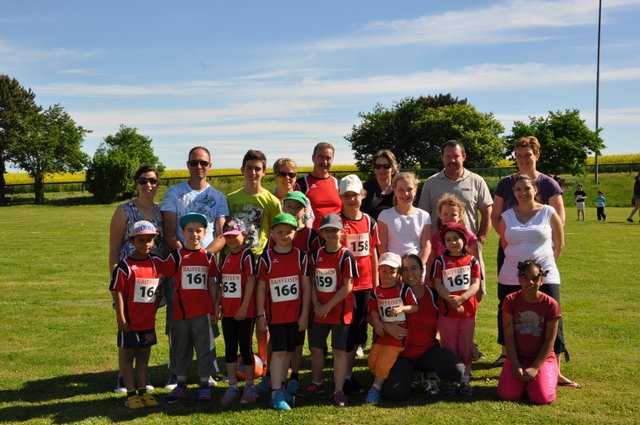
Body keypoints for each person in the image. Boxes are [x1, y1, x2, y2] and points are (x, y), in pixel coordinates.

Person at [497, 175, 579, 388]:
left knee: (552, 320)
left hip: (545, 277)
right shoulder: (507, 215)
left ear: (535, 189)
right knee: (512, 321)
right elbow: (505, 245)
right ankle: (515, 365)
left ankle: (556, 370)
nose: (521, 192)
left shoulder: (548, 212)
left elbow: (559, 244)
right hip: (510, 277)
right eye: (517, 189)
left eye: (526, 188)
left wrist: (541, 271)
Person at [491, 136, 565, 367]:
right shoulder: (505, 183)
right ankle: (507, 355)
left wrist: (545, 255)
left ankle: (553, 363)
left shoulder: (548, 183)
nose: (523, 159)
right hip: (512, 257)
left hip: (543, 260)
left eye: (528, 155)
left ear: (536, 155)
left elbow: (559, 220)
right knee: (508, 307)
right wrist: (514, 238)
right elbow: (497, 218)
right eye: (519, 155)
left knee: (550, 309)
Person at [161, 146, 229, 388]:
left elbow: (222, 234)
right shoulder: (174, 193)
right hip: (180, 267)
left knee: (208, 320)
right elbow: (170, 232)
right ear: (187, 164)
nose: (199, 167)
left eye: (203, 162)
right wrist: (186, 257)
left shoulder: (219, 197)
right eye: (194, 162)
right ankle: (175, 372)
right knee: (176, 320)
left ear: (210, 165)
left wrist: (203, 257)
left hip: (206, 267)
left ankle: (206, 371)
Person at [109, 164, 167, 393]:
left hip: (153, 280)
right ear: (136, 184)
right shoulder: (124, 210)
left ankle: (142, 377)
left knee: (146, 327)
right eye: (143, 181)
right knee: (127, 327)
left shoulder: (163, 211)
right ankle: (124, 377)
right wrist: (115, 280)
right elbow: (114, 248)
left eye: (153, 181)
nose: (148, 185)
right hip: (129, 277)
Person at [154, 213, 220, 403]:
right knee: (180, 347)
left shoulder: (208, 257)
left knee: (205, 347)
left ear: (205, 232)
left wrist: (215, 307)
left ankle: (204, 384)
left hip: (202, 312)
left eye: (198, 231)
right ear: (183, 233)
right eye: (190, 231)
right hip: (180, 313)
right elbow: (162, 271)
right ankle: (181, 384)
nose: (194, 234)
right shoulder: (176, 255)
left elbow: (212, 283)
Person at [381, 254, 464, 402]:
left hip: (427, 351)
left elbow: (447, 318)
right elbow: (370, 315)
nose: (409, 273)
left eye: (414, 268)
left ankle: (425, 373)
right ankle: (414, 374)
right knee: (395, 394)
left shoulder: (432, 294)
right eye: (405, 270)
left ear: (421, 270)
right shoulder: (392, 292)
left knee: (457, 370)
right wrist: (385, 326)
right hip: (402, 355)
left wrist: (439, 335)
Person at [418, 140, 492, 299]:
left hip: (468, 250)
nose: (452, 160)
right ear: (442, 158)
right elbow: (423, 217)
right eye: (448, 156)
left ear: (464, 156)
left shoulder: (476, 181)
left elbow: (487, 212)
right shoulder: (431, 183)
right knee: (438, 296)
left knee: (471, 293)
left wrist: (481, 238)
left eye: (456, 156)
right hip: (439, 251)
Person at [256, 213, 311, 411]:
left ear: (295, 233)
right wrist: (260, 314)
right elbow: (261, 288)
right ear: (272, 233)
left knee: (288, 351)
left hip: (295, 315)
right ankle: (276, 392)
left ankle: (282, 385)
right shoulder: (267, 258)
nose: (284, 235)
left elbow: (306, 288)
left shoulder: (301, 257)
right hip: (276, 316)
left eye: (289, 232)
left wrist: (305, 314)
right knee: (278, 352)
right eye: (280, 232)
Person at [109, 220, 163, 409]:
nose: (146, 244)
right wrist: (121, 318)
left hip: (147, 321)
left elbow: (158, 289)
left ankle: (142, 391)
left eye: (149, 240)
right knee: (127, 355)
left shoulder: (156, 263)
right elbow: (118, 292)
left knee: (143, 357)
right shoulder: (124, 266)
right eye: (141, 240)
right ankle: (130, 393)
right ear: (132, 241)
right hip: (130, 322)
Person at [306, 214, 358, 406]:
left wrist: (328, 306)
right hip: (319, 312)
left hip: (339, 312)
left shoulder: (346, 256)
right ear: (321, 232)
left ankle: (338, 391)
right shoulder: (316, 254)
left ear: (341, 232)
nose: (330, 234)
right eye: (326, 230)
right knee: (316, 348)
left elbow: (348, 286)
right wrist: (316, 303)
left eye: (334, 230)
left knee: (339, 350)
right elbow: (311, 282)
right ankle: (316, 382)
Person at [497, 259, 560, 405]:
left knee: (542, 398)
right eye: (525, 277)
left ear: (542, 280)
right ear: (519, 279)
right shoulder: (510, 300)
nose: (530, 282)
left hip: (542, 358)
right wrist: (514, 363)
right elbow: (509, 336)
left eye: (535, 278)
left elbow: (549, 340)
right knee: (507, 394)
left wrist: (535, 367)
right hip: (518, 357)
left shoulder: (551, 304)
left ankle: (545, 376)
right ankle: (526, 383)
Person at [339, 174, 380, 393]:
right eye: (346, 196)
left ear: (362, 196)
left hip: (365, 285)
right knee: (346, 331)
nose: (351, 200)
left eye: (355, 195)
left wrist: (375, 283)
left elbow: (373, 253)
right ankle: (343, 377)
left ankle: (348, 375)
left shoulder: (369, 221)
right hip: (344, 287)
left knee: (358, 331)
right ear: (340, 197)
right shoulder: (337, 223)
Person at [432, 223, 481, 396]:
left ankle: (465, 380)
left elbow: (476, 284)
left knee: (465, 345)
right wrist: (450, 298)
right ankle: (451, 379)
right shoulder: (440, 260)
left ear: (464, 239)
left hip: (468, 311)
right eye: (448, 240)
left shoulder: (472, 260)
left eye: (456, 238)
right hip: (447, 312)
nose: (452, 242)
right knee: (450, 346)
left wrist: (462, 298)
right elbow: (437, 283)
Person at [215, 218, 258, 405]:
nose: (232, 240)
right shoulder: (225, 257)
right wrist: (217, 305)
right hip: (228, 312)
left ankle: (250, 386)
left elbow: (251, 281)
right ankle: (232, 386)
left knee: (245, 348)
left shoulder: (247, 255)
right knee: (230, 348)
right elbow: (223, 284)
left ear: (243, 235)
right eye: (228, 237)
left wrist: (244, 306)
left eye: (235, 236)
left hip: (244, 312)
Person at [366, 252, 418, 404]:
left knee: (383, 363)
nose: (388, 275)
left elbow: (415, 307)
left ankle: (375, 388)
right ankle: (382, 381)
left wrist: (402, 309)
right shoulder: (376, 291)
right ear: (379, 271)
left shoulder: (403, 290)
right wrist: (376, 319)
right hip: (382, 334)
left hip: (397, 336)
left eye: (392, 271)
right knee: (372, 361)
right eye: (384, 271)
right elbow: (372, 307)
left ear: (398, 273)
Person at [227, 150, 282, 257]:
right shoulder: (231, 198)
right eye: (249, 168)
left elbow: (277, 232)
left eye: (257, 169)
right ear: (242, 170)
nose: (253, 172)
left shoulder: (272, 201)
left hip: (258, 257)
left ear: (264, 172)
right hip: (233, 257)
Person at [377, 172, 431, 265]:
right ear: (395, 190)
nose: (405, 194)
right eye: (401, 190)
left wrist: (418, 268)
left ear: (415, 190)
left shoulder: (424, 216)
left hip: (417, 271)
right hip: (393, 270)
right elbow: (382, 247)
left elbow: (426, 246)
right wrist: (394, 268)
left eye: (409, 189)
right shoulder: (384, 216)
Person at [425, 194, 479, 286]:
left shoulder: (469, 236)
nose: (449, 218)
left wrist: (477, 286)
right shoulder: (435, 237)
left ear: (460, 215)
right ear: (440, 215)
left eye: (453, 215)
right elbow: (430, 263)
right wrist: (429, 281)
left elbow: (476, 263)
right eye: (445, 214)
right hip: (441, 284)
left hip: (464, 284)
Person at [294, 142, 342, 230]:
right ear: (313, 158)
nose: (324, 161)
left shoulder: (338, 183)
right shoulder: (302, 184)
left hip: (334, 238)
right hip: (311, 239)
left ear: (332, 160)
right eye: (320, 157)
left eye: (328, 158)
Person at [272, 157, 314, 227]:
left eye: (291, 174)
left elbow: (308, 228)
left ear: (295, 176)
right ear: (275, 176)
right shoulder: (268, 199)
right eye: (282, 174)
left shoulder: (304, 200)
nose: (287, 177)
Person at [361, 150, 398, 220]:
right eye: (378, 166)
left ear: (393, 169)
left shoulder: (399, 189)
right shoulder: (365, 189)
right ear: (374, 169)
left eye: (386, 166)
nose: (381, 169)